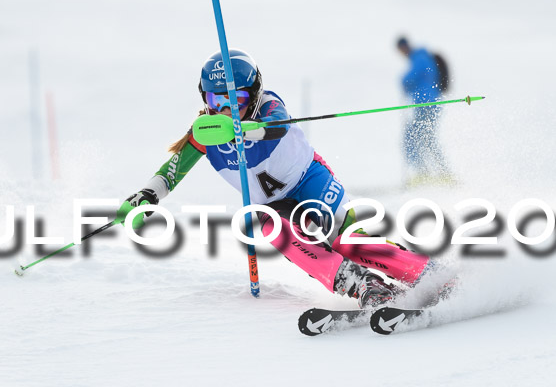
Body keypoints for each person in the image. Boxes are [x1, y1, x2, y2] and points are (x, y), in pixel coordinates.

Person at [115, 49, 432, 309]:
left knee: (347, 241)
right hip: (273, 205)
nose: (225, 110)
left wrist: (249, 130)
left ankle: (426, 273)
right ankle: (362, 285)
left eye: (235, 99)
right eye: (216, 101)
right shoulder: (206, 131)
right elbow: (173, 170)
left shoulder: (268, 103)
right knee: (267, 225)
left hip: (310, 180)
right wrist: (147, 195)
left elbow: (278, 123)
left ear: (252, 95)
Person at [396, 36, 454, 186]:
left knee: (414, 138)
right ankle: (439, 173)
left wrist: (403, 82)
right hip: (429, 104)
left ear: (404, 47)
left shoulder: (419, 57)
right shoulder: (422, 57)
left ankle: (427, 174)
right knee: (424, 138)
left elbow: (411, 78)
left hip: (426, 104)